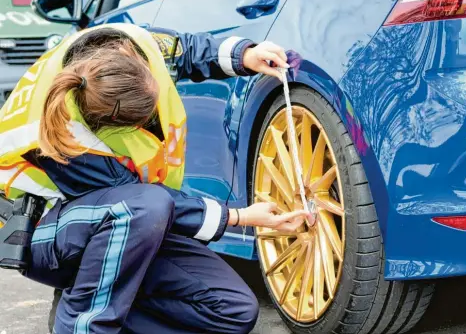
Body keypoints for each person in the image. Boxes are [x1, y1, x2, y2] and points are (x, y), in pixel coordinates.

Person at [0, 23, 308, 334]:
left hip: (119, 220)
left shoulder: (131, 44)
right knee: (146, 205)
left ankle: (92, 302)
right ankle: (84, 323)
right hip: (41, 236)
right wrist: (239, 217)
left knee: (234, 310)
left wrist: (246, 54)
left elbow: (184, 49)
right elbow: (141, 201)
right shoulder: (65, 136)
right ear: (110, 122)